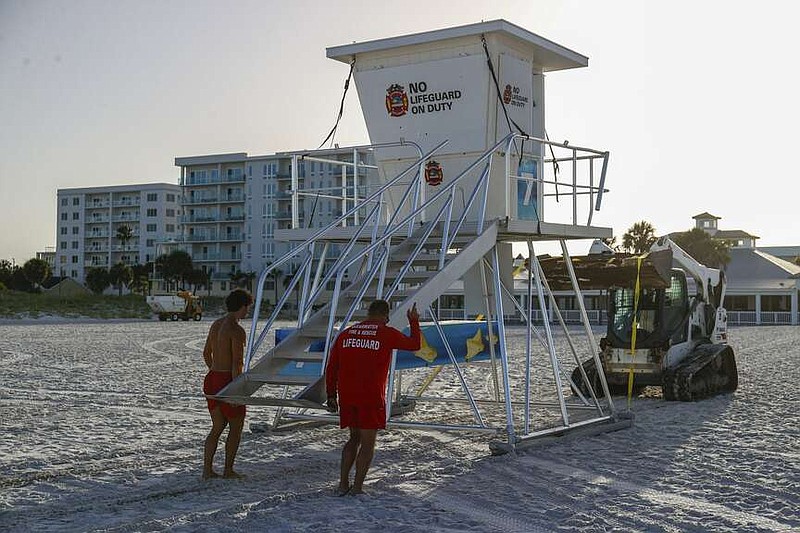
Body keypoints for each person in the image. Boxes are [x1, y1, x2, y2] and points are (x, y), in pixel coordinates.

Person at [325, 300, 420, 495]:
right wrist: (413, 321)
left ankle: (343, 484)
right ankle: (357, 487)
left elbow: (332, 367)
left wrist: (330, 394)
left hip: (347, 394)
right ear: (385, 316)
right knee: (368, 442)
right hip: (370, 395)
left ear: (368, 314)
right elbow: (415, 345)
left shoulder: (346, 334)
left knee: (353, 438)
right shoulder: (386, 332)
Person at [202, 288, 254, 480]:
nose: (247, 312)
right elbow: (237, 363)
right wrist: (236, 390)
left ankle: (207, 470)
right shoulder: (236, 330)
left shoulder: (216, 324)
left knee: (217, 427)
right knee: (236, 425)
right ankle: (228, 470)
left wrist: (214, 370)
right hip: (226, 380)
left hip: (212, 378)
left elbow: (206, 353)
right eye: (247, 308)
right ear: (242, 307)